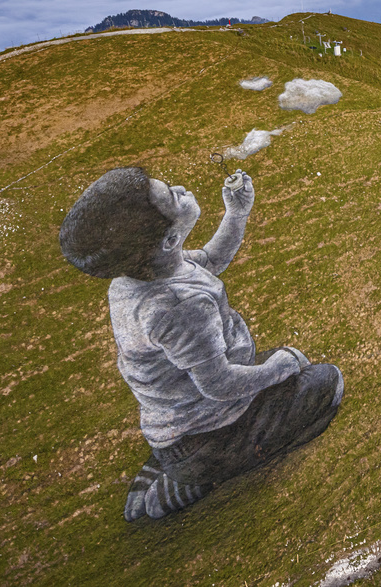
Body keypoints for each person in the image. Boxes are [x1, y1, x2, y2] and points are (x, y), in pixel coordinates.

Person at [59, 166, 343, 521]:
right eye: (173, 197)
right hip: (209, 431)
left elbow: (211, 261)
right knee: (324, 382)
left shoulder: (139, 277)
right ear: (167, 240)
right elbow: (219, 384)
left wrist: (237, 214)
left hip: (180, 421)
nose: (180, 188)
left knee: (283, 369)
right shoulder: (180, 306)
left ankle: (169, 464)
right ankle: (190, 478)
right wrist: (278, 368)